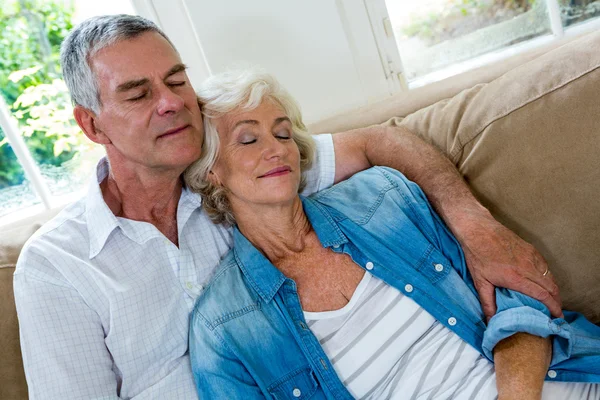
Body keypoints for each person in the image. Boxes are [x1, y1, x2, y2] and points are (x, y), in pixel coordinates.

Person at [14, 14, 561, 399]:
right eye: (137, 94)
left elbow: (378, 143)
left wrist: (476, 228)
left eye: (177, 79)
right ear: (91, 123)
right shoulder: (57, 269)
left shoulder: (232, 175)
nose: (170, 102)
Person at [187, 70, 600, 399]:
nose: (275, 149)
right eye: (247, 139)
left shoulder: (383, 198)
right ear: (212, 171)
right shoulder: (222, 329)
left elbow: (517, 301)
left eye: (282, 134)